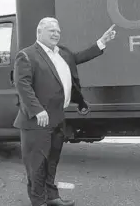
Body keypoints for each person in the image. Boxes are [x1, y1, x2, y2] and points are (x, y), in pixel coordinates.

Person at [13, 17, 116, 206]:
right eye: (51, 30)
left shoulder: (63, 53)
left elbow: (80, 57)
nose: (56, 33)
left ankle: (51, 197)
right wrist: (37, 110)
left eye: (58, 30)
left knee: (52, 160)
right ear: (39, 32)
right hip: (37, 120)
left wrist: (102, 42)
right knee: (36, 165)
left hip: (58, 116)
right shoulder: (27, 55)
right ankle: (39, 201)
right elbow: (22, 85)